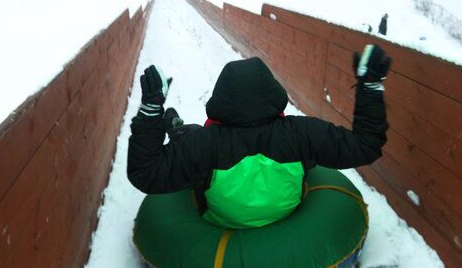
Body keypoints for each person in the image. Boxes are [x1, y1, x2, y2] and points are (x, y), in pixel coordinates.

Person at [126, 46, 391, 229]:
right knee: (192, 138)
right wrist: (370, 86)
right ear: (273, 93)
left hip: (222, 218)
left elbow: (144, 172)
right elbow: (365, 146)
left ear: (221, 101)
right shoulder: (301, 133)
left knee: (189, 136)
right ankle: (177, 128)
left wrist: (150, 111)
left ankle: (174, 127)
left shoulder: (205, 143)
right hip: (285, 209)